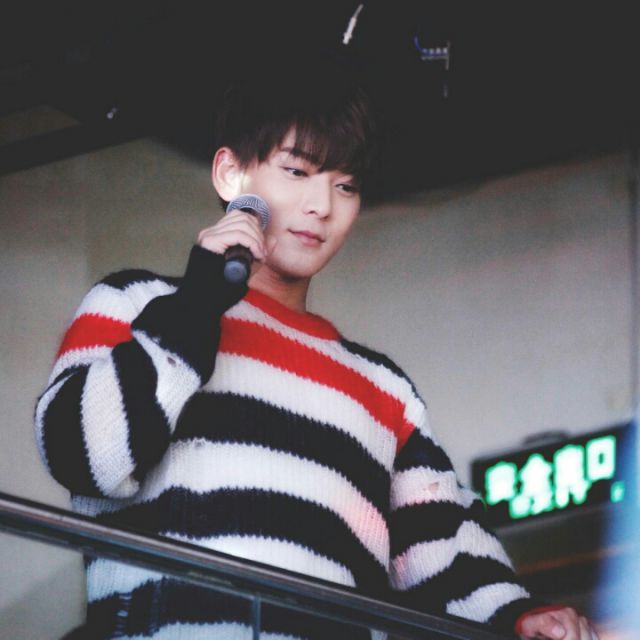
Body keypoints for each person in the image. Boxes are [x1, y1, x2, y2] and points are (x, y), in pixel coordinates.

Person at [35, 53, 597, 640]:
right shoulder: (132, 302)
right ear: (231, 175)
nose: (322, 206)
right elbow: (82, 456)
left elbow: (446, 552)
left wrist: (518, 615)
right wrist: (196, 306)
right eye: (297, 171)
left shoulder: (383, 388)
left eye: (345, 185)